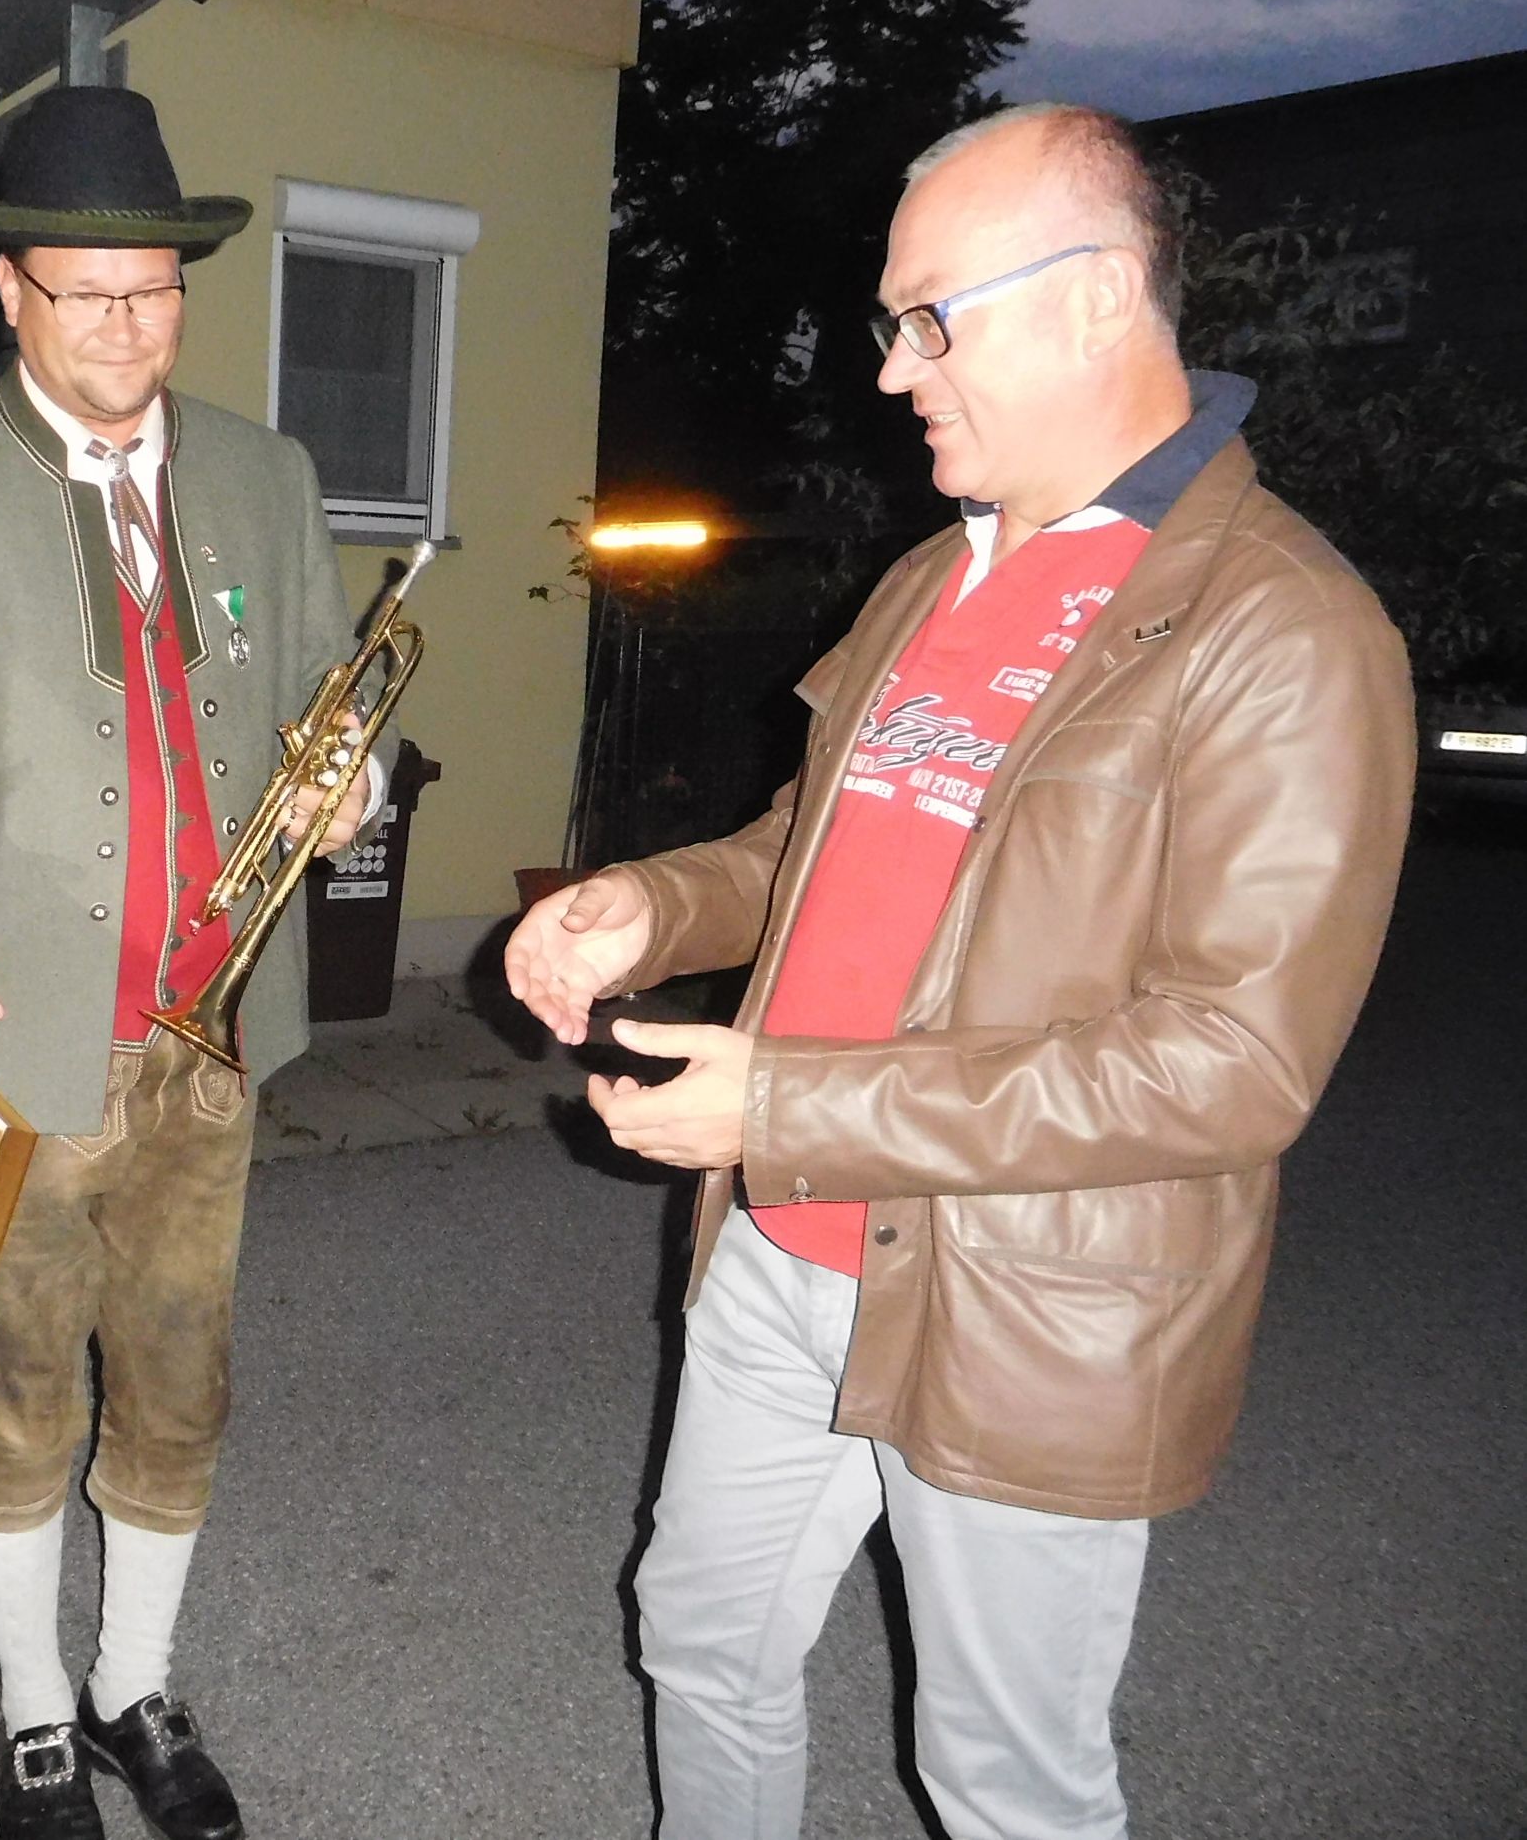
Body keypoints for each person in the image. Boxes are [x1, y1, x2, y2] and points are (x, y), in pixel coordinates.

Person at [506, 105, 1414, 1839]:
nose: (892, 371)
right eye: (891, 323)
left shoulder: (1284, 627)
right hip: (784, 1250)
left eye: (932, 320)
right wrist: (648, 906)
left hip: (1032, 1312)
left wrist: (790, 1103)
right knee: (701, 1645)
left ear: (1098, 299)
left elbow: (1232, 1065)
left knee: (1003, 1780)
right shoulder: (937, 569)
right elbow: (812, 845)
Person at [0, 85, 378, 1840]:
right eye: (86, 292)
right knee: (19, 1394)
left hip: (209, 1039)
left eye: (155, 290)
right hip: (0, 1037)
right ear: (6, 292)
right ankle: (35, 1705)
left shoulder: (267, 474)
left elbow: (332, 691)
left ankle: (131, 1687)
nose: (127, 326)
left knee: (181, 1383)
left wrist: (356, 773)